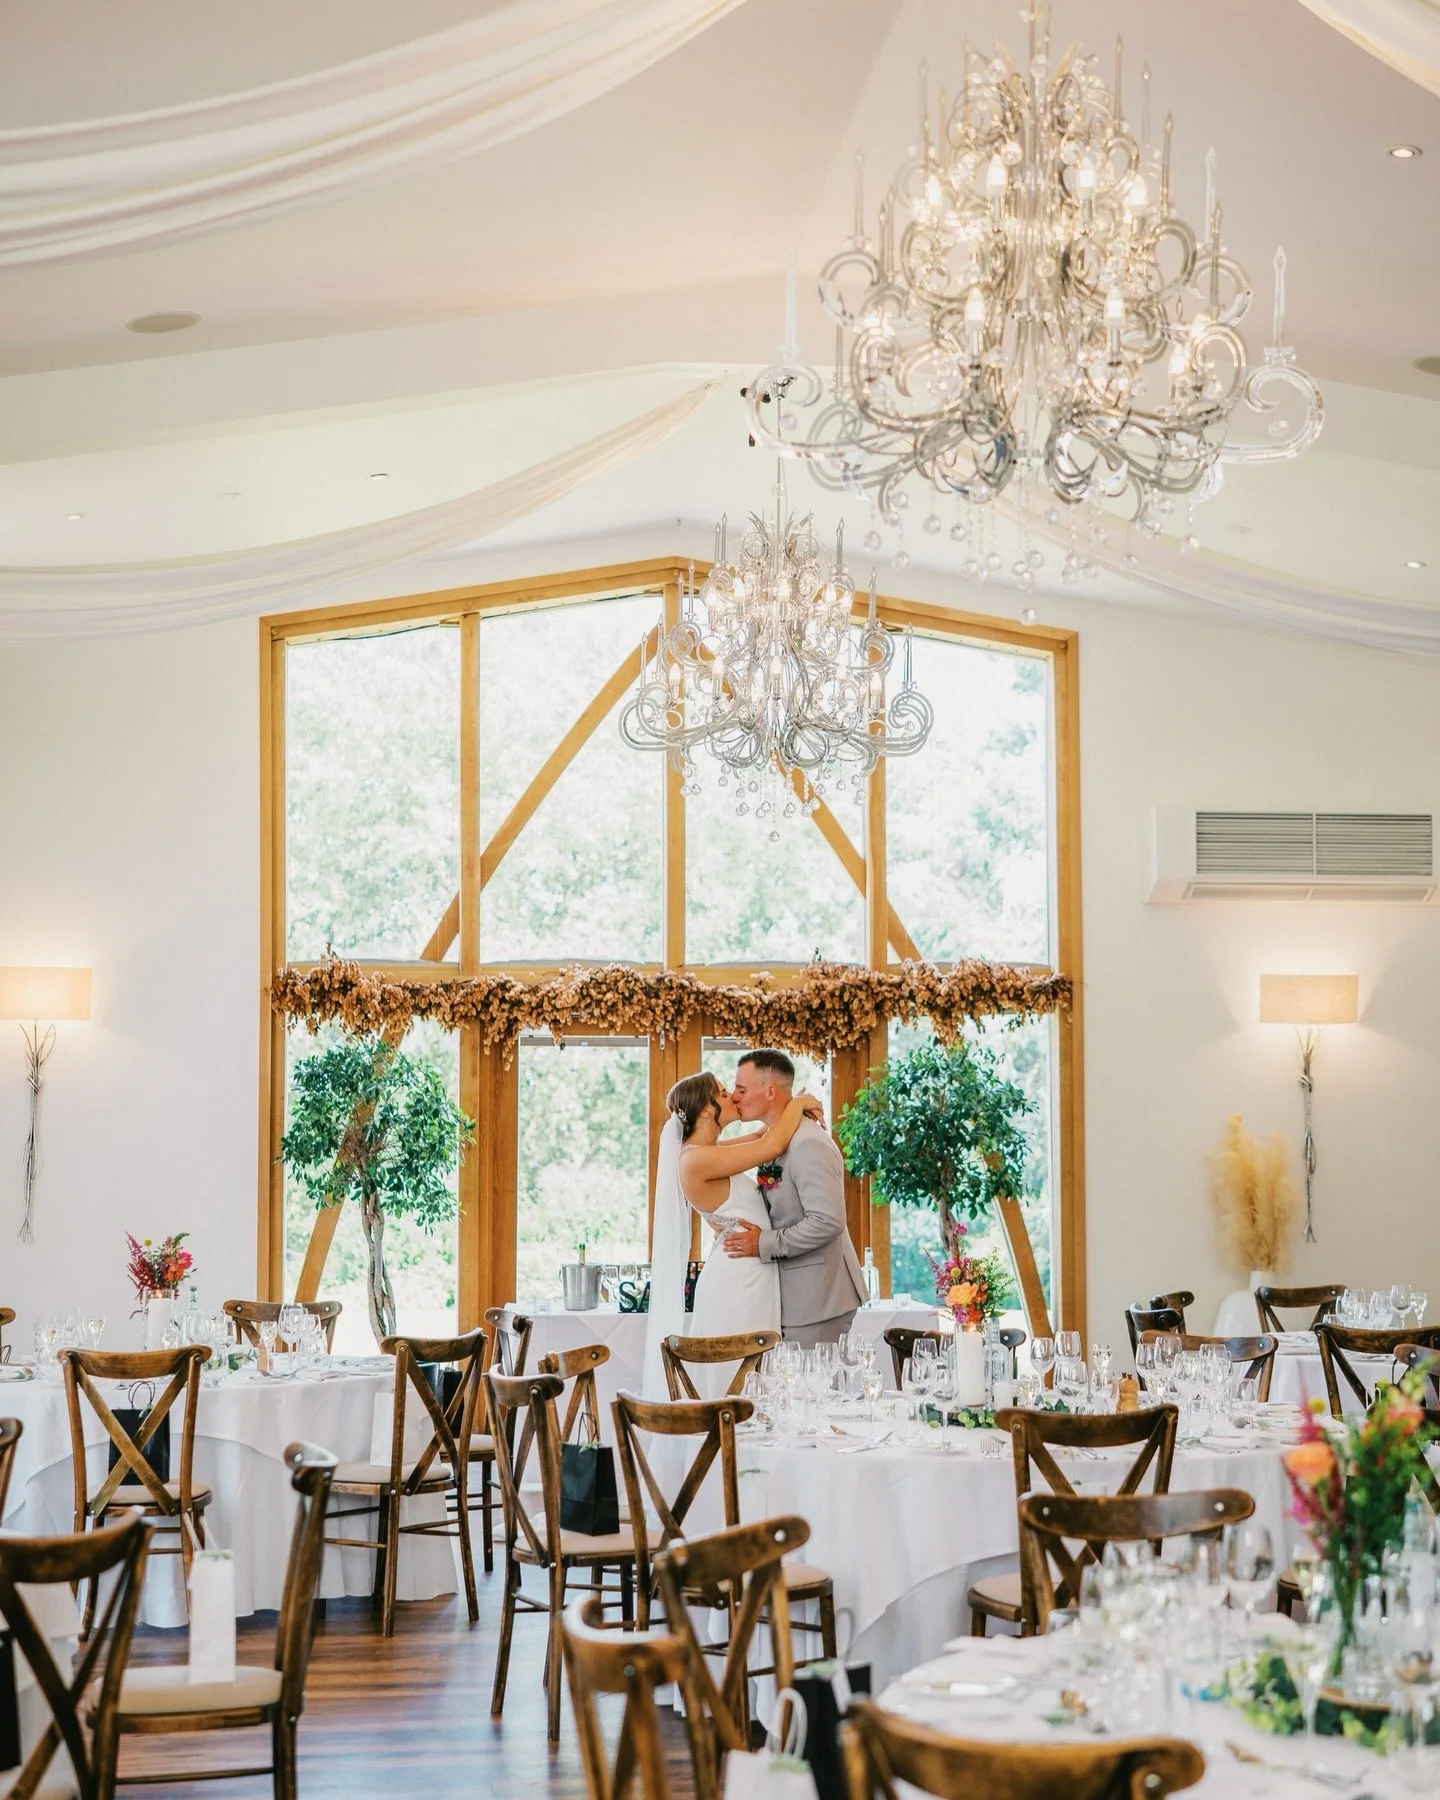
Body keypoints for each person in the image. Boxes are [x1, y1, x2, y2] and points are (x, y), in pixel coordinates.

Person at [641, 1070, 821, 1399]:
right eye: (723, 1093)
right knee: (737, 1377)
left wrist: (790, 1104)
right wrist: (799, 1104)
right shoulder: (695, 1159)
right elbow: (770, 1145)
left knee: (755, 1376)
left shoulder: (707, 1151)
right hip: (737, 1283)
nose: (732, 1097)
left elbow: (761, 1136)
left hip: (751, 1271)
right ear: (706, 1110)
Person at [723, 1048, 866, 1347]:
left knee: (814, 1378)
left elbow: (827, 1221)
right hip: (797, 1296)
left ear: (770, 1091)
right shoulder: (776, 1137)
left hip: (818, 1299)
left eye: (741, 1089)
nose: (734, 1097)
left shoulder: (808, 1143)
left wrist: (763, 1242)